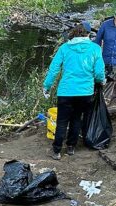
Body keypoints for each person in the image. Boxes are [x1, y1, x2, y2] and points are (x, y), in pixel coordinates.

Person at [43, 22, 105, 160]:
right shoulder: (95, 49)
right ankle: (71, 147)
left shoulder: (64, 48)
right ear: (88, 34)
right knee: (77, 119)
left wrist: (46, 86)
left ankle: (57, 151)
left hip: (66, 91)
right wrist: (101, 81)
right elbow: (99, 72)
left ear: (74, 32)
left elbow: (54, 70)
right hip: (85, 92)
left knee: (62, 121)